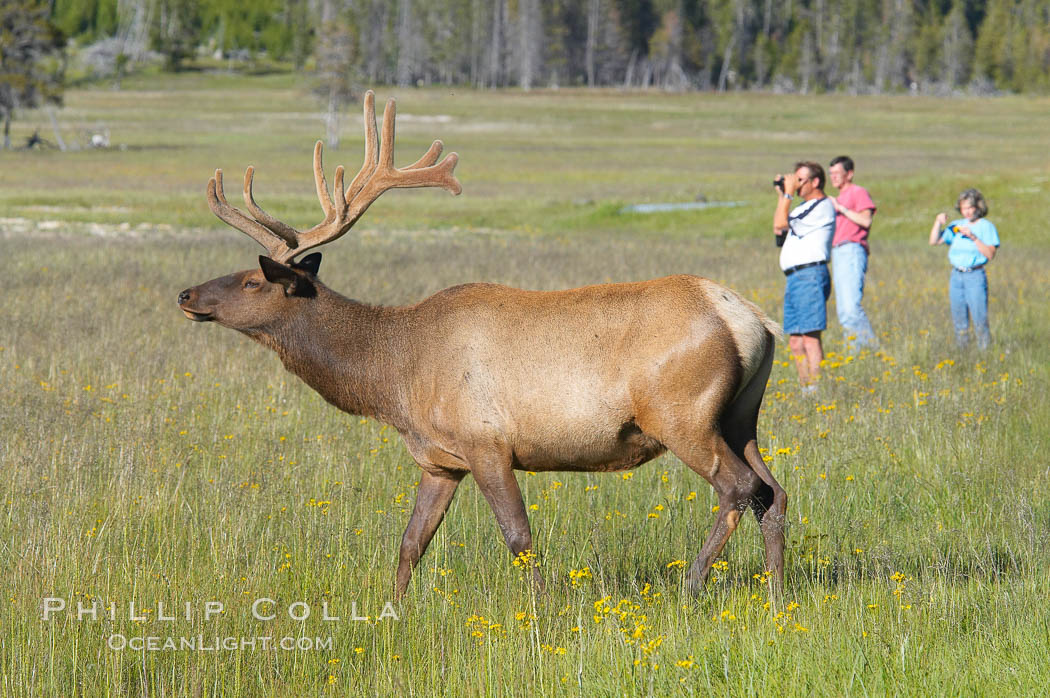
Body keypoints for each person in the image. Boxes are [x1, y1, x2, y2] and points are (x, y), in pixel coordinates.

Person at [773, 161, 836, 390]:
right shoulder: (800, 207)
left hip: (809, 275)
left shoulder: (821, 205)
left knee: (809, 337)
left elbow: (782, 221)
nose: (796, 185)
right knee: (795, 341)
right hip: (795, 278)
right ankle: (805, 387)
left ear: (815, 181)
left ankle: (816, 388)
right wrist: (783, 196)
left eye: (800, 180)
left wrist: (788, 194)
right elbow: (778, 230)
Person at [928, 188, 1000, 349]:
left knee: (979, 318)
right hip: (956, 275)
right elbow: (934, 241)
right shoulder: (956, 226)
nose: (966, 212)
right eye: (963, 208)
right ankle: (962, 353)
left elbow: (990, 254)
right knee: (959, 319)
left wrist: (973, 237)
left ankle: (985, 352)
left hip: (975, 275)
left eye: (969, 207)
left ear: (977, 207)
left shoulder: (986, 227)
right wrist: (938, 222)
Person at [828, 156, 877, 350]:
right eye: (831, 174)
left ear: (849, 174)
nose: (833, 177)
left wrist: (841, 208)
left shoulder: (858, 192)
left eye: (837, 173)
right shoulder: (838, 197)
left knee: (851, 308)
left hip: (851, 249)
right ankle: (855, 351)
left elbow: (866, 220)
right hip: (838, 252)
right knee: (844, 311)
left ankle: (872, 349)